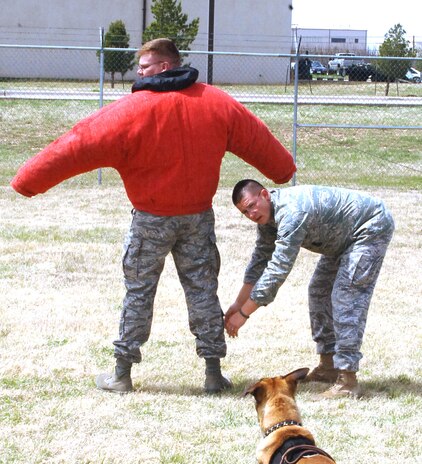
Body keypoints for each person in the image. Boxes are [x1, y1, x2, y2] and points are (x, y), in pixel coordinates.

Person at [10, 39, 296, 395]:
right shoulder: (216, 103)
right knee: (203, 292)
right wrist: (283, 169)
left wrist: (27, 182)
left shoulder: (128, 112)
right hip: (197, 219)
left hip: (150, 221)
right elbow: (261, 141)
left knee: (139, 293)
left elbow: (74, 145)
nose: (138, 72)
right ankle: (212, 373)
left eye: (143, 67)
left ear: (164, 67)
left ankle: (122, 373)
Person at [224, 180, 395, 399]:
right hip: (341, 238)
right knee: (319, 291)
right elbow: (260, 262)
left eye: (252, 205)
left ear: (264, 194)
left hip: (369, 228)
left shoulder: (292, 212)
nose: (251, 214)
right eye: (244, 212)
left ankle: (347, 381)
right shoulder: (268, 220)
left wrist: (243, 314)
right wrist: (237, 304)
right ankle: (328, 366)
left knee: (346, 298)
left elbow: (277, 270)